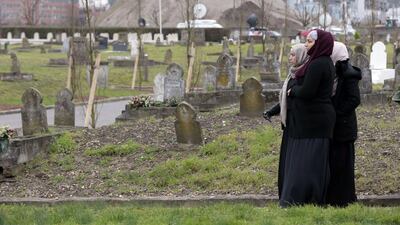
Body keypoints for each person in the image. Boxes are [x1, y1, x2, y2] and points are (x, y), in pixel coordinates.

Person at [280, 29, 336, 207]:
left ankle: (304, 198)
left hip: (315, 121)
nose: (306, 44)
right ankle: (302, 198)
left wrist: (292, 91)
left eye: (310, 42)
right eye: (306, 41)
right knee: (305, 162)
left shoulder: (320, 63)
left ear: (320, 44)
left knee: (308, 163)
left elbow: (307, 91)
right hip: (310, 121)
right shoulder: (318, 61)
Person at [263, 44, 309, 199]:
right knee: (286, 160)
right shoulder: (292, 74)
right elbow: (285, 100)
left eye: (293, 55)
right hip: (289, 124)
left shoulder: (303, 76)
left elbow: (296, 99)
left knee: (294, 160)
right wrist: (271, 111)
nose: (290, 57)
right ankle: (284, 191)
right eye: (289, 54)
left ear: (302, 56)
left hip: (299, 124)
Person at [327, 42, 361, 207]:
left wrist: (337, 112)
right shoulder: (333, 71)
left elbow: (354, 99)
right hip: (334, 125)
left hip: (344, 126)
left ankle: (344, 199)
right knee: (334, 163)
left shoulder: (348, 73)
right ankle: (333, 197)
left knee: (344, 164)